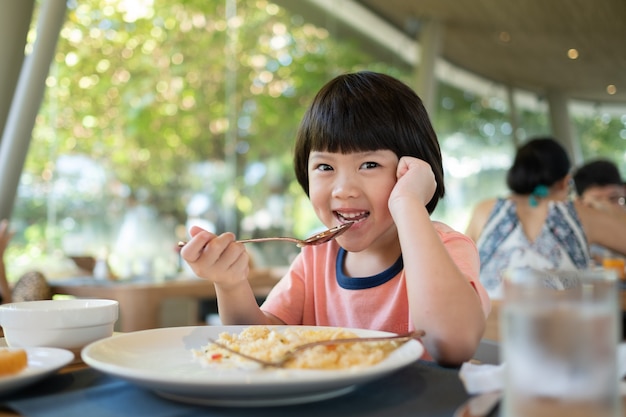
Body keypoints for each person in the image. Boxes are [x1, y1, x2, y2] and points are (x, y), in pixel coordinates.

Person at [181, 71, 490, 366]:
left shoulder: (447, 249)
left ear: (411, 170)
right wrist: (231, 284)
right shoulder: (315, 260)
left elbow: (453, 345)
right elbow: (259, 342)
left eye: (369, 164)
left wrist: (408, 204)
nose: (343, 190)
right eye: (325, 167)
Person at [466, 137, 626, 298]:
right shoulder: (577, 213)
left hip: (492, 320)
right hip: (562, 321)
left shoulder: (483, 210)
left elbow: (461, 268)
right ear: (565, 181)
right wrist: (611, 211)